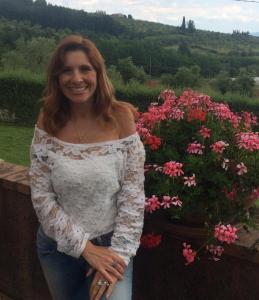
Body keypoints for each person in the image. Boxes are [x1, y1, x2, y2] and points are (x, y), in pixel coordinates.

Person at [29, 35, 145, 300]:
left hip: (112, 247)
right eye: (66, 70)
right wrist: (85, 248)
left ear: (98, 73)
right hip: (57, 249)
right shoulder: (48, 120)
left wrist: (116, 257)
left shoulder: (121, 118)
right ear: (56, 78)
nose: (76, 78)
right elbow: (41, 195)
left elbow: (133, 197)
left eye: (85, 69)